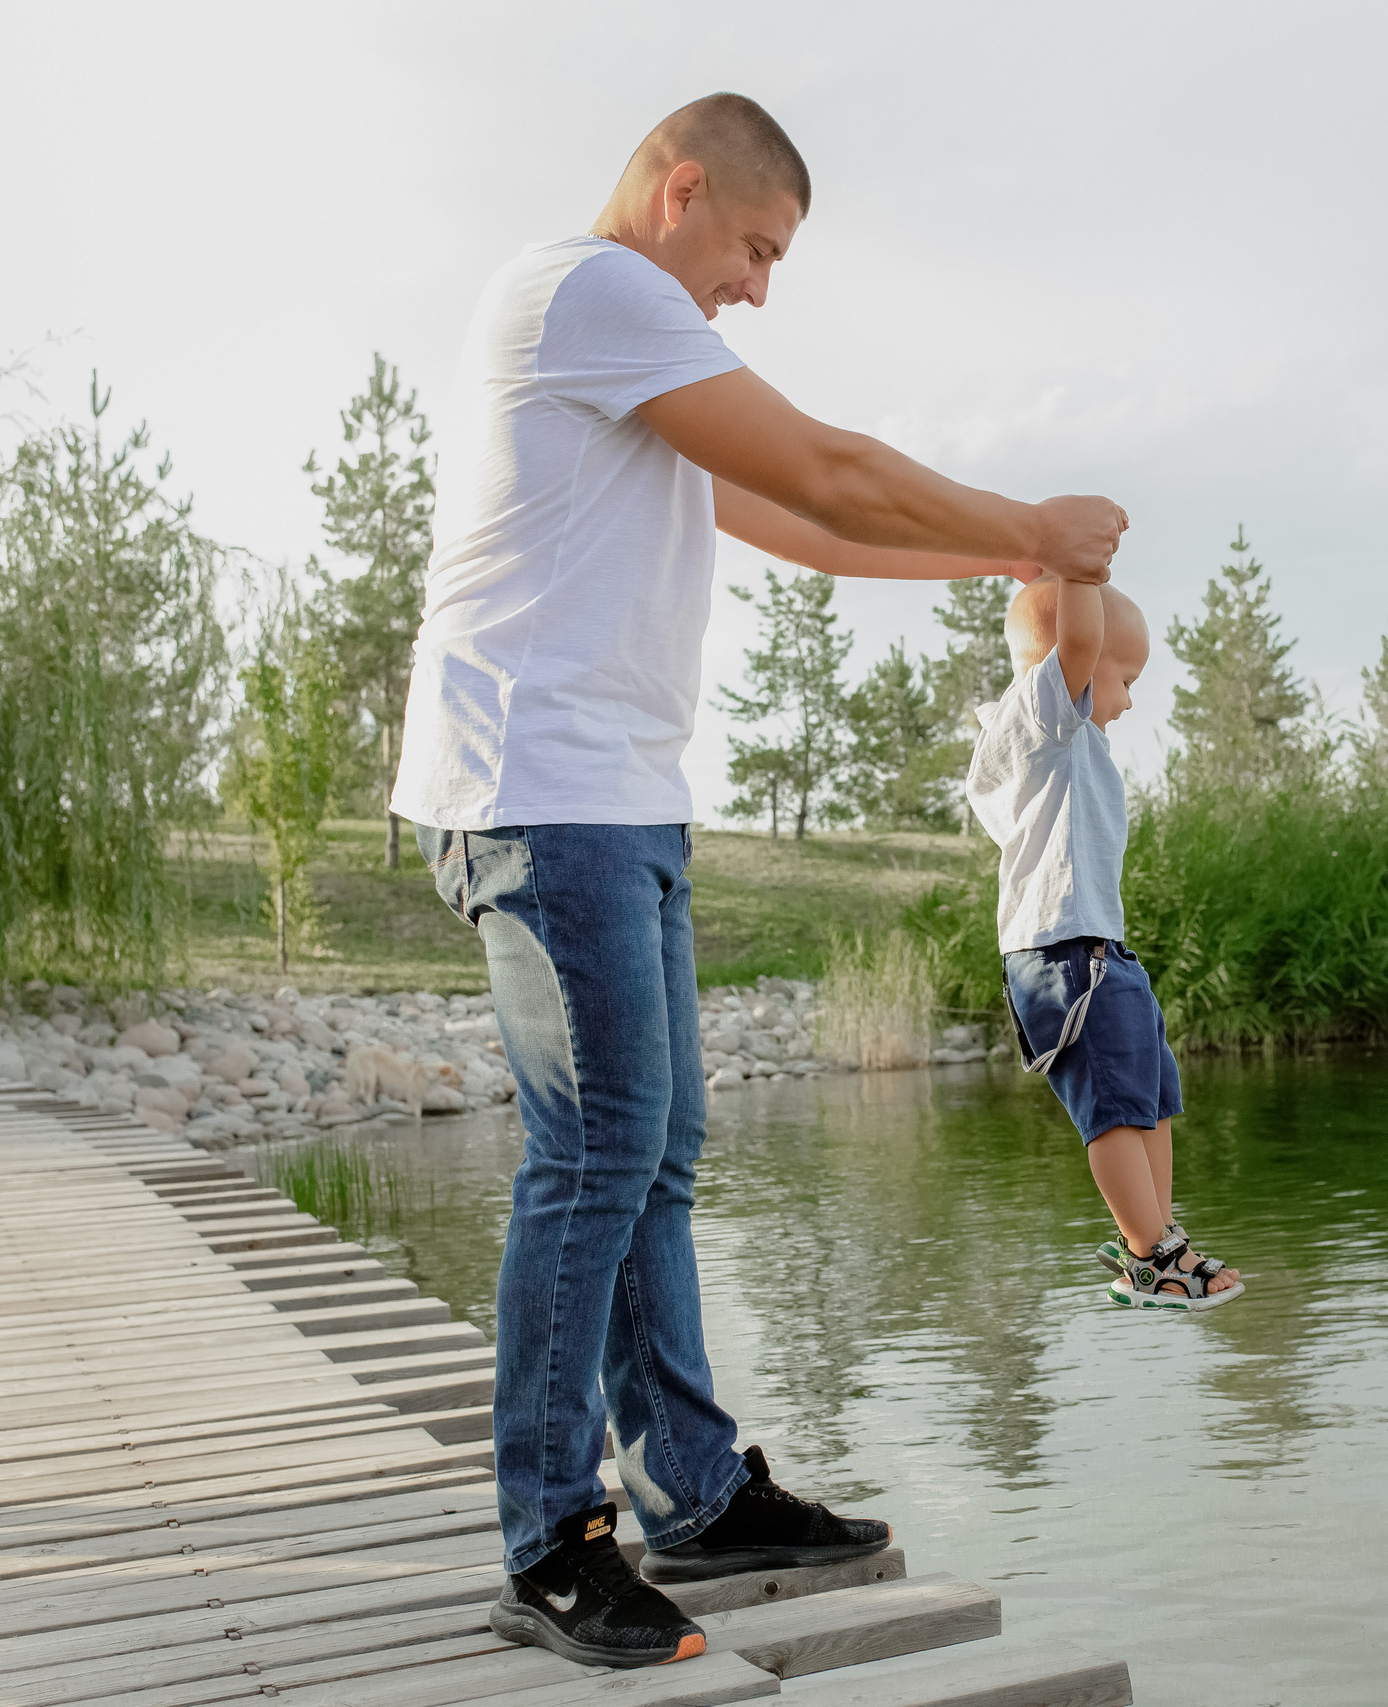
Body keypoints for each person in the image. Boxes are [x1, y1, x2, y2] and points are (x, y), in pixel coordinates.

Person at [392, 92, 1128, 1671]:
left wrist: (1011, 562)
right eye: (754, 246)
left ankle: (699, 1493)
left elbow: (809, 524)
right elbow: (832, 464)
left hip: (619, 798)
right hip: (537, 791)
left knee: (657, 1151)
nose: (759, 285)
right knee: (596, 1154)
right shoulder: (591, 293)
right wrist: (1034, 519)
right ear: (678, 193)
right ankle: (549, 1540)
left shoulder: (635, 361)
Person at [965, 576, 1244, 1312]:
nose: (1127, 699)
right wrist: (1078, 566)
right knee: (1118, 1105)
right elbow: (1077, 643)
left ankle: (1153, 1241)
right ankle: (1155, 1255)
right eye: (1127, 677)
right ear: (1076, 668)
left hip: (1096, 948)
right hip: (1065, 953)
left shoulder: (1054, 739)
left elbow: (1081, 649)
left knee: (1151, 1092)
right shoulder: (1047, 720)